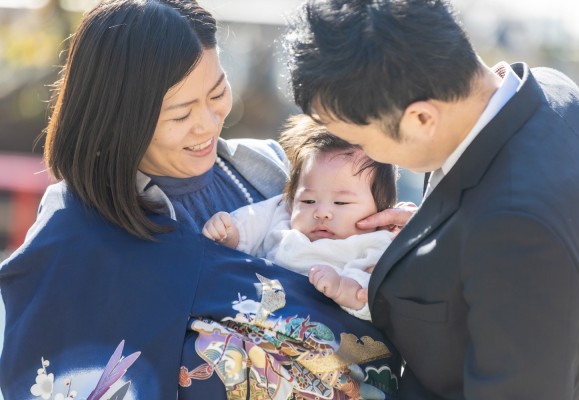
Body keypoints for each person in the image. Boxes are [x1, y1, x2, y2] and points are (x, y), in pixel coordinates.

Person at [0, 1, 416, 399]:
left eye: (217, 94)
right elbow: (60, 373)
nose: (207, 125)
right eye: (180, 114)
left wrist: (407, 248)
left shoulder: (274, 173)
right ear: (120, 117)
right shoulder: (76, 233)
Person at [284, 0, 579, 399]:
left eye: (360, 140)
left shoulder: (517, 230)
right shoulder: (553, 92)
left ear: (420, 118)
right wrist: (440, 231)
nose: (366, 154)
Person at [203, 114, 399, 320]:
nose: (321, 212)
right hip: (258, 317)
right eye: (308, 200)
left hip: (321, 328)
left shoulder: (376, 243)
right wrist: (229, 233)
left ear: (382, 212)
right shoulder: (282, 215)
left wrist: (343, 288)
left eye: (341, 203)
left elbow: (375, 300)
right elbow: (250, 226)